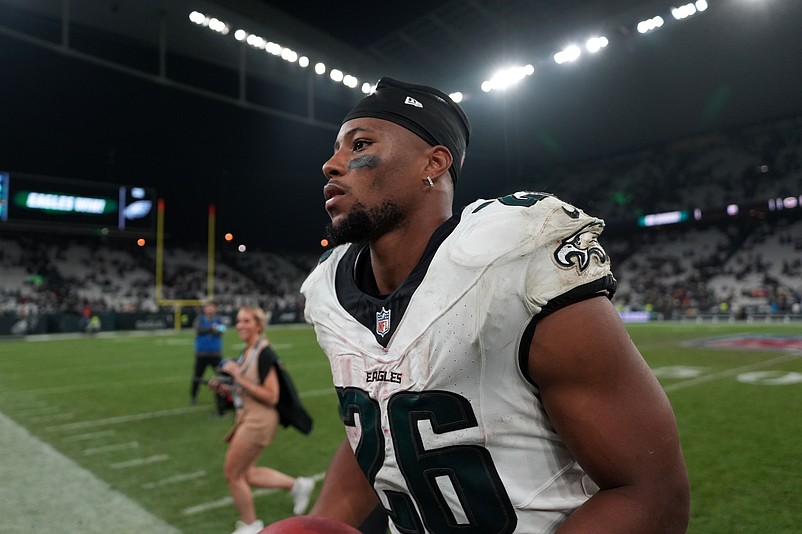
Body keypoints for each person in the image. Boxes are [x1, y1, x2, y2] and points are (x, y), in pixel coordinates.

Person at [299, 77, 690, 533]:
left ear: (434, 162)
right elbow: (379, 430)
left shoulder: (509, 254)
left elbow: (651, 495)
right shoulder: (328, 288)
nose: (331, 164)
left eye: (359, 144)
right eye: (336, 148)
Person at [209, 305, 315, 534]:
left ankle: (251, 526)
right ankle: (298, 485)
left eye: (247, 320)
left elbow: (271, 395)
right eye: (239, 320)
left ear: (258, 324)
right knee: (247, 473)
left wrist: (237, 376)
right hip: (248, 416)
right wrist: (226, 387)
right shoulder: (248, 350)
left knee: (233, 474)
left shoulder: (264, 352)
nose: (240, 325)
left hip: (259, 421)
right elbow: (245, 390)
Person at [191, 301, 225, 407]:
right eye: (208, 307)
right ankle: (193, 396)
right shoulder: (199, 319)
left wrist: (208, 330)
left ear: (215, 309)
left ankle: (223, 399)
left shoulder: (219, 320)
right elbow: (199, 330)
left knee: (221, 378)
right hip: (201, 354)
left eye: (212, 307)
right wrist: (212, 329)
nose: (210, 309)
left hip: (215, 354)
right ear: (205, 309)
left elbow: (221, 331)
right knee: (197, 377)